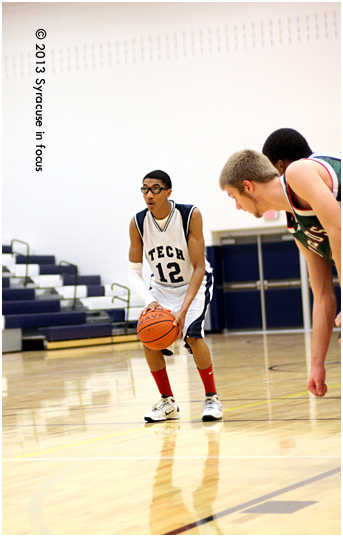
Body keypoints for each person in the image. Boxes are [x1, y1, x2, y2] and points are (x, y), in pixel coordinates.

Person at [219, 148, 341, 398]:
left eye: (234, 197)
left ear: (248, 186)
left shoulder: (298, 172)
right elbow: (322, 296)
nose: (237, 207)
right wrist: (317, 364)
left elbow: (338, 229)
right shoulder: (296, 225)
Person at [129, 169, 223, 422]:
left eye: (155, 189)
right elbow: (133, 273)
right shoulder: (138, 222)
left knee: (192, 335)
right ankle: (167, 402)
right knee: (148, 336)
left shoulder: (189, 215)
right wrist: (151, 302)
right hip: (161, 286)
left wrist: (183, 309)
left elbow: (199, 267)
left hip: (195, 281)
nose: (149, 194)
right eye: (144, 189)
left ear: (168, 192)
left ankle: (212, 398)